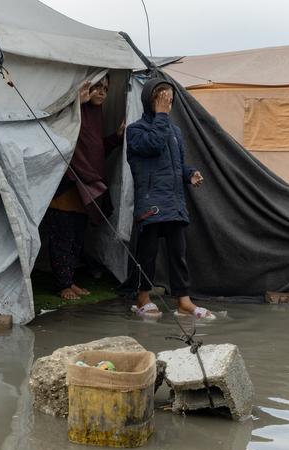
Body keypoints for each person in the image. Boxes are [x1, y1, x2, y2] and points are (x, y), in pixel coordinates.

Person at [126, 78, 215, 319]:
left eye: (170, 101)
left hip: (174, 201)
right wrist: (162, 115)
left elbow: (177, 164)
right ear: (149, 100)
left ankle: (183, 302)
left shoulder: (175, 131)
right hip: (151, 201)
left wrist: (190, 174)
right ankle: (142, 297)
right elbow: (152, 146)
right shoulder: (136, 130)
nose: (167, 104)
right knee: (149, 252)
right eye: (162, 99)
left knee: (178, 252)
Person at [44, 74, 125, 300]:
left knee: (77, 236)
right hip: (69, 182)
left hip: (88, 185)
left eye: (106, 89)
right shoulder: (76, 112)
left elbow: (95, 148)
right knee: (62, 234)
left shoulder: (97, 114)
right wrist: (75, 105)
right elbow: (55, 128)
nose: (101, 92)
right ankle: (62, 284)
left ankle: (70, 280)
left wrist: (117, 138)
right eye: (97, 87)